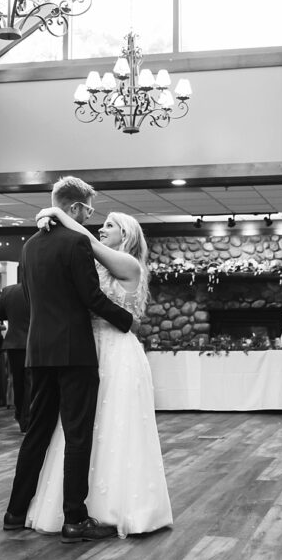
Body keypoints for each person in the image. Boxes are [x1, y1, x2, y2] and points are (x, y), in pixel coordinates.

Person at [26, 206, 173, 539]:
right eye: (103, 224)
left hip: (118, 351)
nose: (103, 228)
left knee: (117, 425)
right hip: (87, 349)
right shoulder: (95, 265)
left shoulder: (130, 264)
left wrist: (56, 213)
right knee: (81, 428)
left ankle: (119, 506)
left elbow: (87, 242)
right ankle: (80, 506)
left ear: (128, 235)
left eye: (111, 225)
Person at [4, 176, 135, 544]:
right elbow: (92, 298)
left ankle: (15, 512)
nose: (91, 218)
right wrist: (128, 321)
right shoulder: (76, 242)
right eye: (89, 211)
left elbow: (29, 299)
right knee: (77, 436)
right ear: (75, 208)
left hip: (37, 351)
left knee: (37, 433)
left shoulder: (29, 246)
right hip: (74, 352)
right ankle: (75, 519)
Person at [0, 281, 31, 432]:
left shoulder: (8, 291)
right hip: (35, 341)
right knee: (32, 383)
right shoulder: (38, 286)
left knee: (18, 382)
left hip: (14, 343)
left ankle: (21, 417)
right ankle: (29, 418)